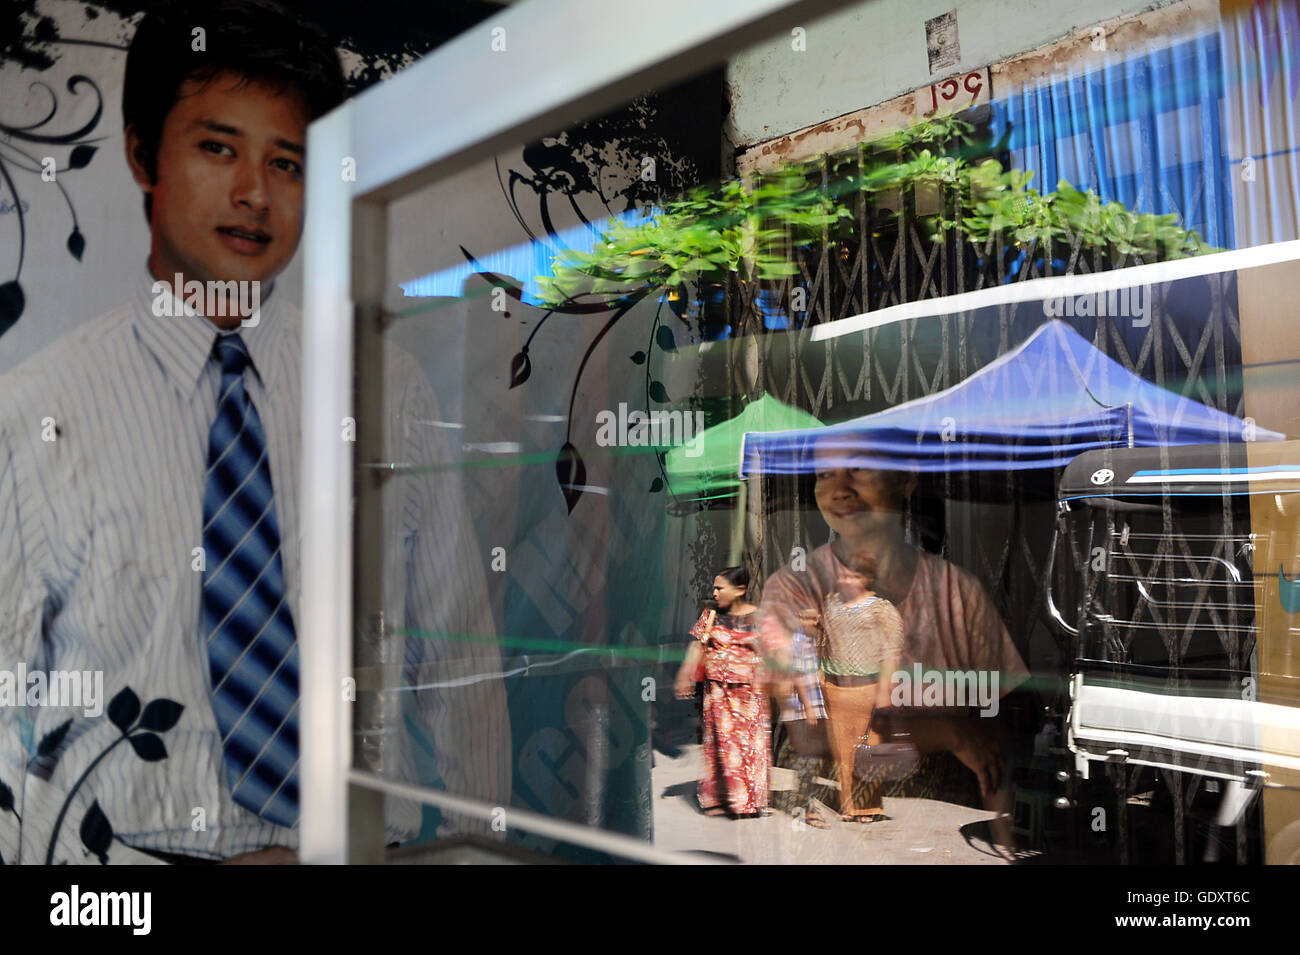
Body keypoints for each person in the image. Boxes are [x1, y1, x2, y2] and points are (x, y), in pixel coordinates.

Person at [0, 0, 509, 865]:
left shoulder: (385, 394)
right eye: (217, 148)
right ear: (139, 154)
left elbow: (455, 669)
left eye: (288, 162)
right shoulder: (34, 411)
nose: (253, 193)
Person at [760, 440, 1031, 848]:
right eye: (824, 474)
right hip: (841, 825)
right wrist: (950, 732)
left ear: (905, 478)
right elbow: (807, 736)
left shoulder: (958, 592)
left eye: (859, 469)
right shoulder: (794, 589)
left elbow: (1012, 718)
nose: (839, 490)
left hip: (951, 821)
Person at [811, 552, 903, 822]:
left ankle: (868, 807)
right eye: (842, 573)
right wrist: (820, 670)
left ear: (867, 579)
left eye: (852, 575)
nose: (844, 579)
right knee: (843, 752)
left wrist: (887, 690)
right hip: (836, 688)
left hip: (868, 688)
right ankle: (850, 806)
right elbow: (823, 639)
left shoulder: (881, 609)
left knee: (867, 750)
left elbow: (892, 652)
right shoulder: (831, 604)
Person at [674, 566, 770, 817]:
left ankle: (745, 802)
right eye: (714, 588)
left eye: (720, 588)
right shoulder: (710, 615)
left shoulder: (759, 617)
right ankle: (715, 799)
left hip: (749, 693)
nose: (715, 592)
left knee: (748, 744)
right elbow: (697, 647)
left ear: (740, 590)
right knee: (719, 742)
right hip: (717, 691)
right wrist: (686, 675)